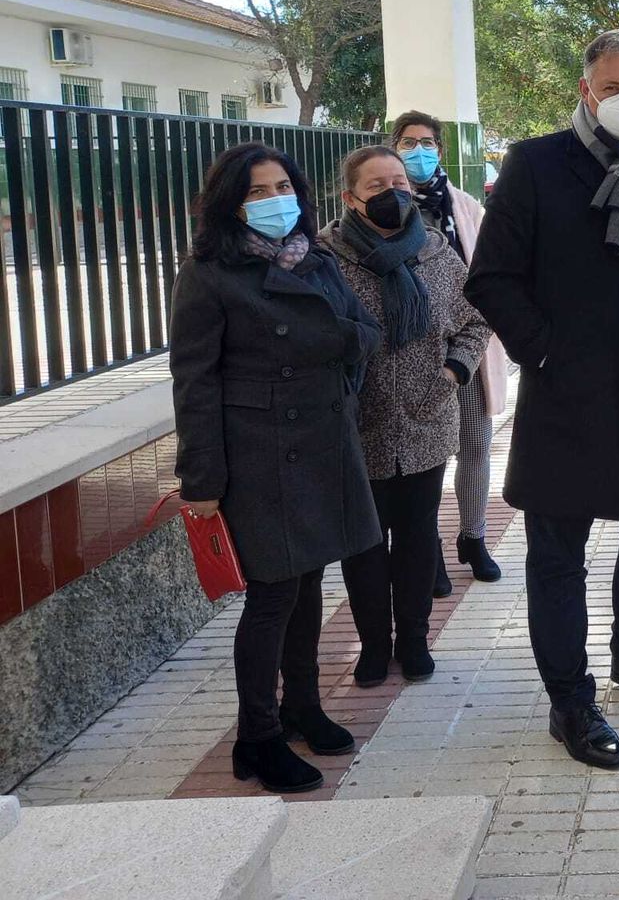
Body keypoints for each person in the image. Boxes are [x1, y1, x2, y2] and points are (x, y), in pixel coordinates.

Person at [465, 29, 619, 770]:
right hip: (565, 399)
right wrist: (543, 350)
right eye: (612, 88)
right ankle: (570, 700)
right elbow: (492, 279)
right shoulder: (536, 164)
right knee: (557, 556)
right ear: (586, 91)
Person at [170, 142, 382, 793]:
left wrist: (337, 343)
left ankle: (302, 706)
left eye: (282, 187)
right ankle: (256, 737)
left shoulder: (315, 257)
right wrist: (201, 482)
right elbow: (195, 383)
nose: (274, 201)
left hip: (321, 440)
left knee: (310, 581)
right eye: (257, 192)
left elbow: (362, 332)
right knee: (273, 596)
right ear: (231, 204)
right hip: (259, 453)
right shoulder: (209, 273)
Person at [322, 147, 490, 690]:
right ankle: (374, 645)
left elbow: (476, 320)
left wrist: (453, 372)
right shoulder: (325, 260)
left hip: (426, 421)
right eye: (376, 185)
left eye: (398, 182)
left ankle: (414, 640)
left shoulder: (436, 252)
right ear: (350, 198)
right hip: (357, 426)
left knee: (418, 538)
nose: (392, 192)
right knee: (365, 545)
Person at [387, 111, 512, 597]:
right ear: (394, 147)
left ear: (440, 150)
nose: (418, 151)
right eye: (408, 142)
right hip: (413, 357)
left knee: (475, 446)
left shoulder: (465, 206)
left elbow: (486, 269)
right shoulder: (385, 210)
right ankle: (430, 548)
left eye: (427, 143)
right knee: (426, 457)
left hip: (468, 348)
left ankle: (473, 537)